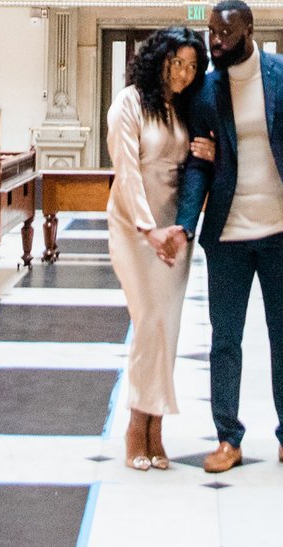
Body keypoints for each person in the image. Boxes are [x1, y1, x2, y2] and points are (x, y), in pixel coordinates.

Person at [166, 0, 283, 474]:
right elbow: (200, 162)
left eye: (225, 36)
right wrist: (185, 221)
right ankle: (227, 438)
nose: (215, 44)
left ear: (249, 31)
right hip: (228, 234)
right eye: (211, 35)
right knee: (225, 340)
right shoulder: (206, 91)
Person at [105, 27, 205, 471]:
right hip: (134, 227)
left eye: (191, 66)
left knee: (167, 326)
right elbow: (125, 172)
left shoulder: (183, 109)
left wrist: (179, 227)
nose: (183, 74)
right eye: (176, 63)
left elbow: (191, 172)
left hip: (174, 233)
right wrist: (148, 230)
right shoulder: (129, 103)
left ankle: (156, 425)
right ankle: (135, 425)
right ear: (159, 60)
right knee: (148, 320)